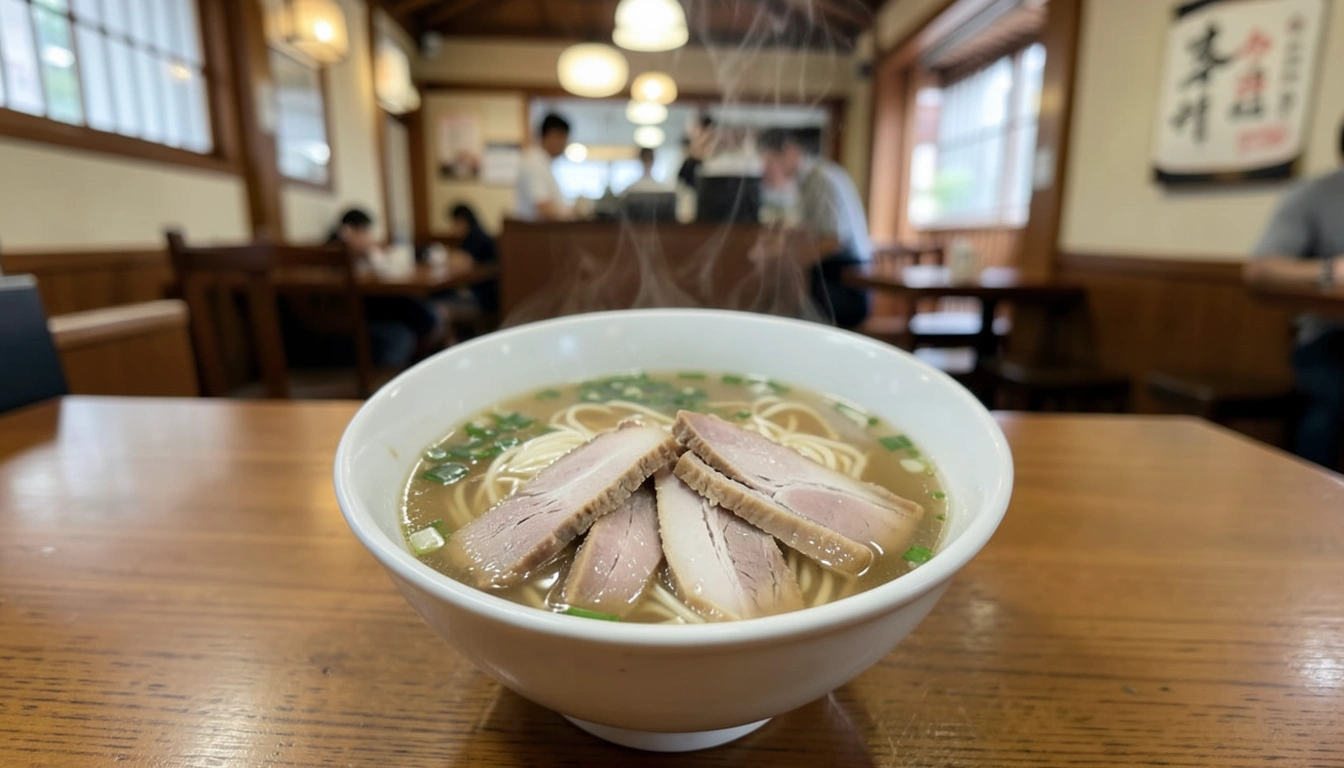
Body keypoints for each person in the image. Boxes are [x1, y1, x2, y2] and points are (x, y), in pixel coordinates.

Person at [1245, 121, 1344, 469]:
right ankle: (1311, 507)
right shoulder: (1317, 194)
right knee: (1334, 398)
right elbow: (1260, 270)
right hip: (1329, 337)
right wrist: (1330, 271)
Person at [757, 128, 872, 329]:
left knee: (789, 310)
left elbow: (834, 240)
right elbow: (811, 231)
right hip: (831, 277)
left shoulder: (820, 180)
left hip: (846, 283)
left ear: (790, 151)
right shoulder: (810, 180)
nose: (766, 170)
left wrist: (788, 260)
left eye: (770, 161)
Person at [328, 208, 442, 367]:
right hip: (356, 311)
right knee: (419, 317)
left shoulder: (359, 252)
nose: (368, 236)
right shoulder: (336, 250)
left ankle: (420, 360)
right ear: (347, 231)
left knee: (422, 314)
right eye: (364, 231)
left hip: (368, 305)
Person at [515, 113, 570, 221]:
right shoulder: (533, 162)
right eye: (564, 139)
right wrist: (570, 213)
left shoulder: (543, 162)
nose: (565, 145)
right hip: (535, 234)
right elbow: (542, 207)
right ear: (552, 135)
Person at [447, 203, 498, 315]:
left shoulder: (476, 235)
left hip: (484, 297)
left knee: (442, 305)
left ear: (462, 220)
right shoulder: (474, 234)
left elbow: (464, 260)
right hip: (483, 294)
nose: (453, 227)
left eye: (454, 223)